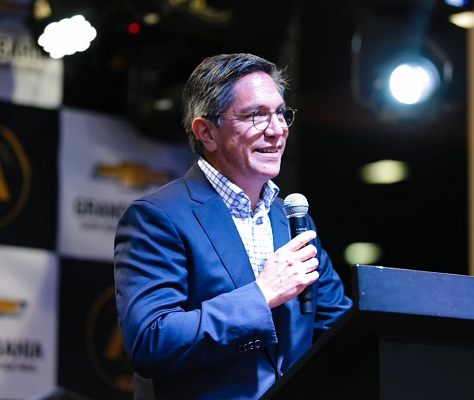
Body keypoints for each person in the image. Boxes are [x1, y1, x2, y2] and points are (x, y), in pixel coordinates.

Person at [114, 53, 353, 400]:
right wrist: (261, 296)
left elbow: (340, 330)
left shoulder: (290, 219)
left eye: (281, 113)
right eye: (256, 115)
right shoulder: (158, 217)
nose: (277, 130)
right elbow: (152, 341)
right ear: (207, 132)